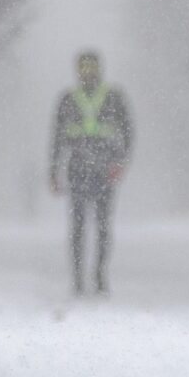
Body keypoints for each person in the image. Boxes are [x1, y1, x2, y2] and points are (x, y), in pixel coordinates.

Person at [50, 50, 134, 296]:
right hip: (77, 170)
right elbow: (56, 138)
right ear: (77, 70)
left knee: (103, 226)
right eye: (83, 67)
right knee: (77, 227)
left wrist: (121, 163)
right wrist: (53, 171)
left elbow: (128, 133)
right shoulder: (67, 99)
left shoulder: (114, 97)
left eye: (91, 67)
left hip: (104, 170)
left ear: (100, 69)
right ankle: (77, 278)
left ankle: (99, 275)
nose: (87, 72)